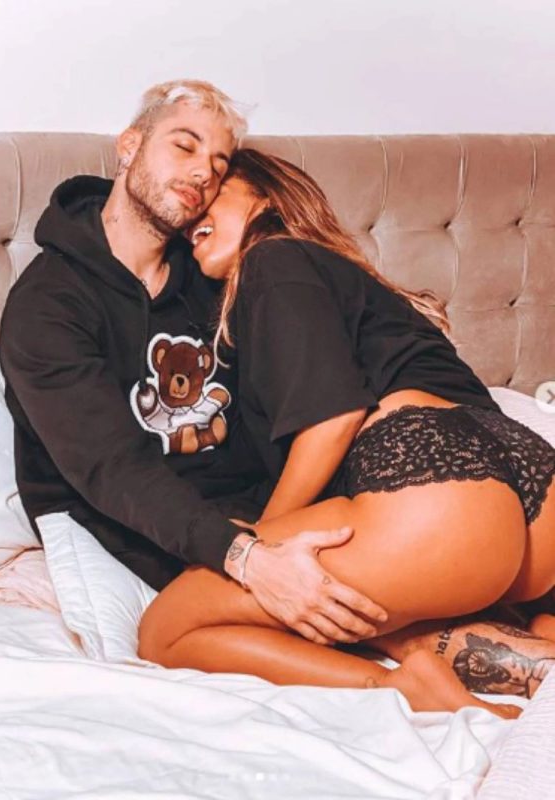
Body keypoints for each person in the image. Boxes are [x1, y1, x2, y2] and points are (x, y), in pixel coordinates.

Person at [137, 148, 555, 714]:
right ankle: (533, 642)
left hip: (436, 489)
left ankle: (397, 688)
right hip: (532, 486)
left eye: (214, 195)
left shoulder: (273, 258)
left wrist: (259, 548)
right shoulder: (341, 278)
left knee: (168, 627)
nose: (193, 218)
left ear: (265, 197)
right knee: (367, 611)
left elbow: (332, 420)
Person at [0, 80, 389, 647]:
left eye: (219, 163)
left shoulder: (214, 277)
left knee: (403, 576)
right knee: (348, 610)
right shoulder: (48, 304)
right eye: (184, 145)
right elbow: (112, 470)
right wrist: (247, 556)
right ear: (129, 146)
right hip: (151, 531)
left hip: (271, 513)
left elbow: (296, 395)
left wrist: (286, 529)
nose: (204, 171)